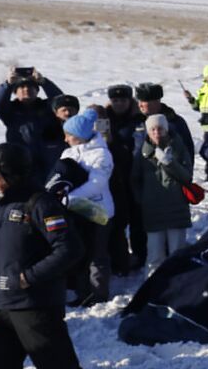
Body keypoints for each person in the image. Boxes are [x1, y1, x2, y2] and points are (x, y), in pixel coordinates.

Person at [0, 143, 116, 369]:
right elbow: (5, 253)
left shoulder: (40, 204)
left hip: (35, 306)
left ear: (10, 173)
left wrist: (28, 278)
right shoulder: (3, 204)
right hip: (7, 306)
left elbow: (70, 249)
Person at [56, 111, 117, 306]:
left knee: (97, 254)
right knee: (80, 253)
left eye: (69, 135)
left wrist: (69, 197)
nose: (65, 139)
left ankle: (98, 294)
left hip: (99, 212)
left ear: (81, 135)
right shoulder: (69, 152)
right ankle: (83, 292)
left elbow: (97, 183)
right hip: (76, 211)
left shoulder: (101, 154)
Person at [131, 114, 194, 273]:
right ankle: (152, 288)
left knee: (177, 254)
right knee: (154, 256)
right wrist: (142, 199)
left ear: (166, 130)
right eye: (152, 129)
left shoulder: (178, 147)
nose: (157, 132)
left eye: (160, 128)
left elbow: (187, 177)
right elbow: (135, 179)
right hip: (152, 210)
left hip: (176, 207)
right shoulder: (143, 152)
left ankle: (179, 287)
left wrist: (169, 163)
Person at [0, 66, 65, 185]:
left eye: (30, 87)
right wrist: (8, 84)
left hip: (50, 161)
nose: (26, 89)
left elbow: (62, 101)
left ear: (36, 91)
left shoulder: (47, 107)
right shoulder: (11, 111)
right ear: (15, 92)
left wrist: (44, 82)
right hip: (23, 163)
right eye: (21, 87)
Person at [104, 84, 145, 274]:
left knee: (137, 217)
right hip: (111, 177)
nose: (119, 103)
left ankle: (139, 254)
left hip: (133, 174)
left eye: (123, 100)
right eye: (115, 100)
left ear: (130, 101)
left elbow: (141, 146)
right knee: (117, 219)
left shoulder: (138, 119)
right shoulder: (104, 119)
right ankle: (117, 257)